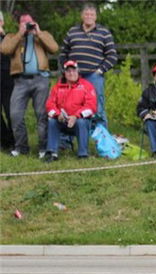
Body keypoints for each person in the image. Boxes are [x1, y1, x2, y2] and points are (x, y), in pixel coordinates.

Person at [0, 13, 58, 158]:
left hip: (41, 80)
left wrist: (38, 33)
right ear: (19, 24)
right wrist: (20, 33)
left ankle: (43, 148)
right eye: (23, 22)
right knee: (15, 115)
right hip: (20, 81)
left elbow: (54, 48)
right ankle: (21, 147)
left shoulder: (42, 35)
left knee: (41, 114)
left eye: (29, 22)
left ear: (35, 22)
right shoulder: (12, 37)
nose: (27, 24)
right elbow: (5, 49)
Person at [60, 3, 117, 130]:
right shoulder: (72, 31)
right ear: (82, 16)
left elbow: (112, 56)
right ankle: (66, 140)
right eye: (86, 14)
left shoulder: (104, 33)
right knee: (69, 106)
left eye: (92, 14)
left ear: (96, 17)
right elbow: (63, 53)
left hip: (93, 76)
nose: (89, 17)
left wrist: (100, 70)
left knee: (97, 108)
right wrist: (65, 70)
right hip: (73, 76)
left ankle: (102, 142)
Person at [44, 60, 97, 162]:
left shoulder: (87, 85)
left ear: (78, 71)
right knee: (52, 121)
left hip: (79, 120)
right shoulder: (57, 87)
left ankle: (83, 154)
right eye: (68, 71)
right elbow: (49, 105)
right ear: (64, 73)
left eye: (73, 70)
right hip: (62, 120)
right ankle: (52, 152)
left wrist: (76, 116)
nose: (71, 73)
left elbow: (91, 107)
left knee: (81, 122)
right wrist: (58, 115)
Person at [0, 11, 15, 152]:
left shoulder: (9, 37)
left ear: (2, 22)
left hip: (7, 79)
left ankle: (14, 141)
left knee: (10, 111)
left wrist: (3, 35)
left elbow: (11, 51)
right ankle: (4, 140)